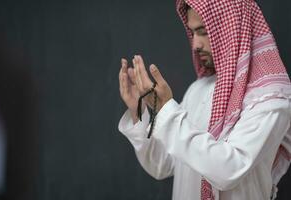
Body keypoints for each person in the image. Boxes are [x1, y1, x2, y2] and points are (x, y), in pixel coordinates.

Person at [118, 0, 291, 199]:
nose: (195, 44)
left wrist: (166, 109)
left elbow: (229, 169)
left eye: (204, 32)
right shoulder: (198, 90)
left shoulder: (270, 98)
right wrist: (138, 112)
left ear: (231, 29)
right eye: (193, 33)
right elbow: (163, 164)